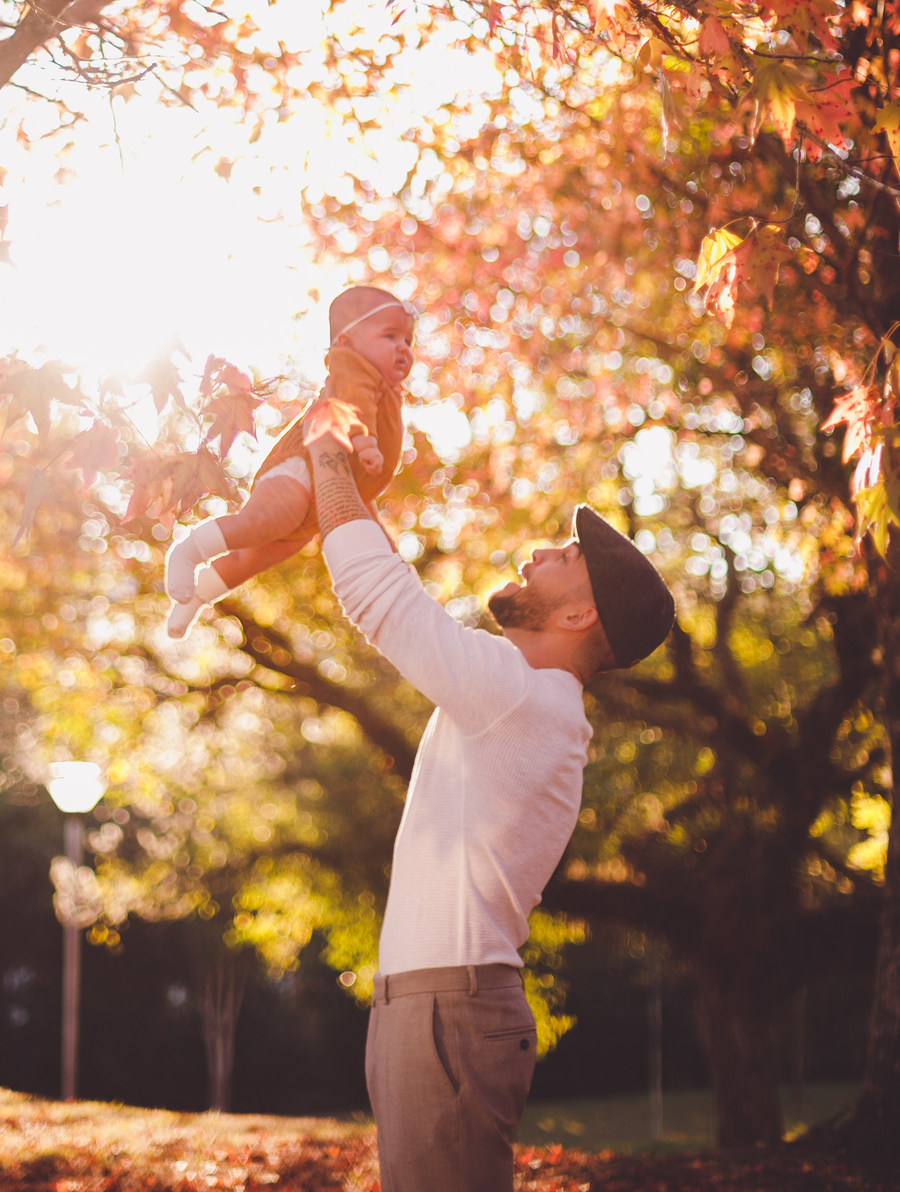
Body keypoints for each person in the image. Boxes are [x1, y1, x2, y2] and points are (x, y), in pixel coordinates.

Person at [304, 429, 675, 1192]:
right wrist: (353, 486)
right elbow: (386, 582)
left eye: (563, 559)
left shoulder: (523, 696)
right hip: (432, 1003)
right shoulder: (520, 697)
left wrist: (329, 458)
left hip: (449, 1008)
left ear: (578, 619)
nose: (538, 552)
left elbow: (379, 596)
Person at [163, 286, 414, 637]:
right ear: (346, 341)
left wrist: (382, 541)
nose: (403, 348)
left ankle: (196, 597)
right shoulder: (352, 366)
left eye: (408, 341)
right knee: (260, 522)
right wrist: (367, 443)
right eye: (391, 336)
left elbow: (357, 482)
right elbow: (355, 408)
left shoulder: (387, 393)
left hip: (319, 499)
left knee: (252, 558)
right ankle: (187, 552)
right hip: (300, 471)